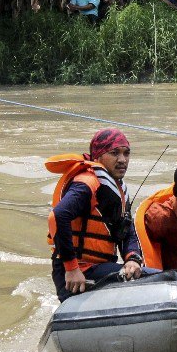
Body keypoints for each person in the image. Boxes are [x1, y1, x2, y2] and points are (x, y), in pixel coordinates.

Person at [47, 129, 144, 302]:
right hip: (79, 272)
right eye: (114, 153)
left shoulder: (118, 188)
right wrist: (72, 268)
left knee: (144, 273)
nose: (122, 160)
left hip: (100, 268)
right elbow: (58, 216)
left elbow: (126, 230)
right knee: (156, 278)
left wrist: (132, 259)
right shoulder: (87, 184)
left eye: (126, 153)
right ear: (98, 156)